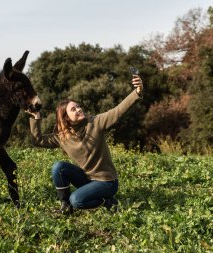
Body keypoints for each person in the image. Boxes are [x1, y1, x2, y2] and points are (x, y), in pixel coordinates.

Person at [26, 75, 144, 214]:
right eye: (73, 109)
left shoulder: (95, 123)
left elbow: (118, 111)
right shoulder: (62, 136)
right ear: (65, 118)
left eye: (78, 106)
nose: (79, 109)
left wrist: (137, 91)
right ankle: (65, 206)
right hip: (87, 179)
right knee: (59, 167)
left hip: (107, 182)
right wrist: (36, 118)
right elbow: (38, 140)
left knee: (77, 200)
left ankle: (108, 201)